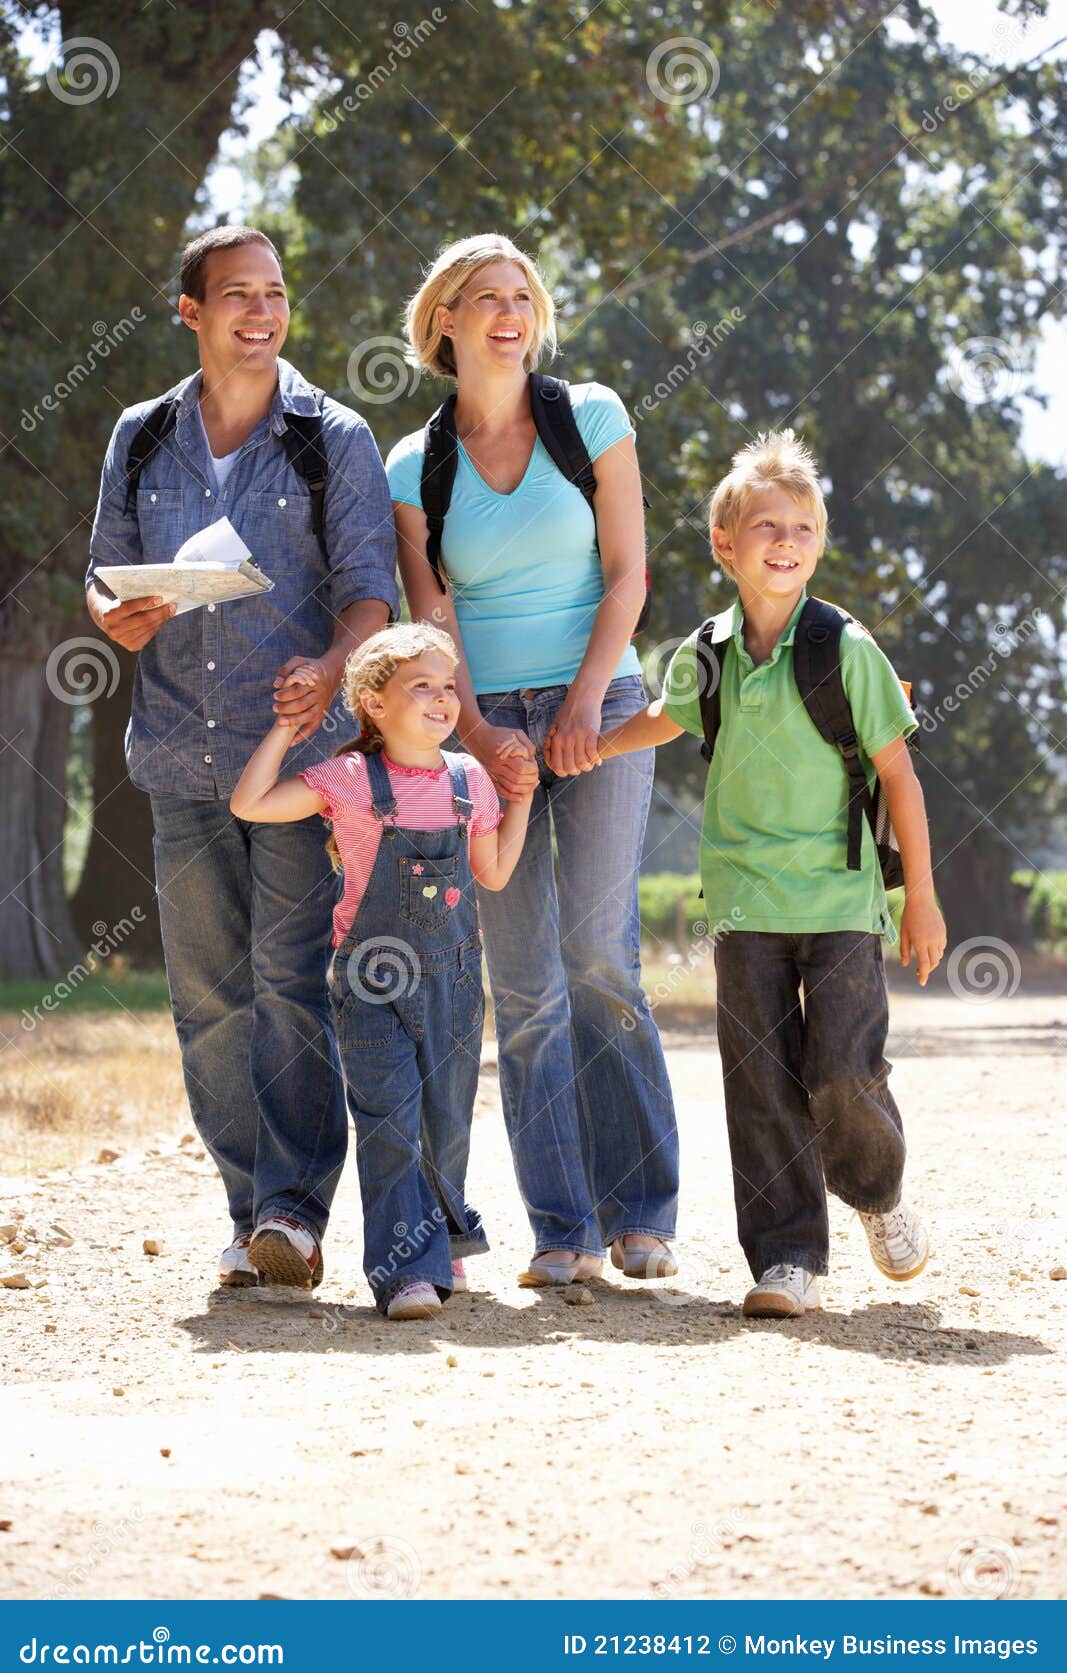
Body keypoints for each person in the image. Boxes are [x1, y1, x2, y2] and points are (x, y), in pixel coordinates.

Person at [86, 225, 399, 1292]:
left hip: (297, 764)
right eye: (237, 295)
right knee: (208, 997)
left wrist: (332, 664)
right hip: (178, 754)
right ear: (191, 311)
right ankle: (244, 1207)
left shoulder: (332, 437)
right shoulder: (140, 435)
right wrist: (112, 613)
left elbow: (371, 591)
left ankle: (293, 1213)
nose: (261, 313)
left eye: (274, 293)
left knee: (287, 982)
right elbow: (103, 572)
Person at [597, 429, 947, 1318]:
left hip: (839, 901)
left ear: (818, 543)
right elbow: (666, 717)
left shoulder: (845, 648)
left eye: (802, 527)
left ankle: (876, 1193)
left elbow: (898, 776)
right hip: (742, 907)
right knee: (758, 1086)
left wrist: (920, 899)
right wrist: (587, 747)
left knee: (840, 1071)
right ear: (725, 544)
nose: (785, 541)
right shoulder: (707, 652)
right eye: (766, 526)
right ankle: (785, 1257)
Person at [386, 233, 679, 1289]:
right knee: (521, 984)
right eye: (485, 297)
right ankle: (562, 1229)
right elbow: (432, 619)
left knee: (598, 955)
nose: (509, 312)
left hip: (600, 703)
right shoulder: (411, 466)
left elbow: (628, 572)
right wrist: (473, 733)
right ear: (445, 322)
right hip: (487, 726)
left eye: (523, 296)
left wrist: (587, 699)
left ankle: (640, 1211)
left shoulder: (589, 416)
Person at [229, 623, 533, 1317]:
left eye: (448, 686)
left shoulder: (470, 779)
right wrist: (286, 728)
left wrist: (520, 800)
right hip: (371, 983)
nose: (442, 698)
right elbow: (249, 803)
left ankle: (440, 1238)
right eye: (420, 685)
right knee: (389, 1122)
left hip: (455, 981)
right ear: (372, 702)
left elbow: (492, 873)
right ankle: (405, 1275)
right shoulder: (346, 779)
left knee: (445, 1123)